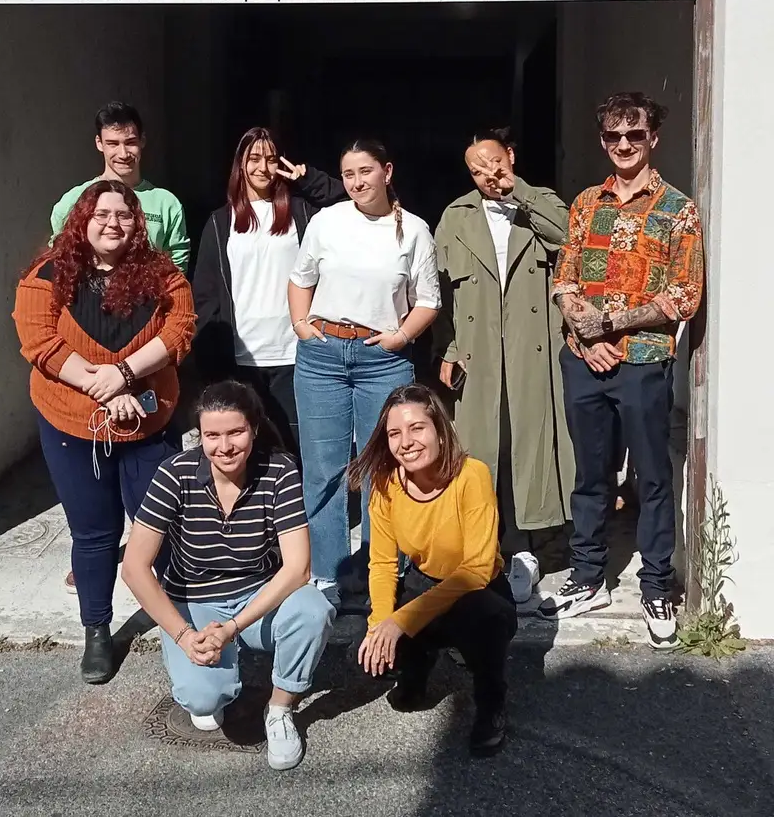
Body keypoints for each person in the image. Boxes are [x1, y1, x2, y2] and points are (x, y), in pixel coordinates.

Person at [13, 180, 195, 683]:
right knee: (94, 534)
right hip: (73, 425)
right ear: (81, 220)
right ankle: (97, 630)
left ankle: (181, 622)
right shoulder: (45, 275)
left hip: (150, 424)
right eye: (101, 214)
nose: (113, 223)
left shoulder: (162, 275)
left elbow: (179, 329)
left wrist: (126, 374)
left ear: (139, 223)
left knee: (165, 527)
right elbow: (39, 342)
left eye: (124, 215)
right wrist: (105, 389)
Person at [540, 92, 704, 651]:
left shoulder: (677, 208)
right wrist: (585, 337)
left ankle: (657, 586)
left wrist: (610, 323)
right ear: (603, 140)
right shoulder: (587, 202)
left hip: (643, 363)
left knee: (652, 478)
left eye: (634, 135)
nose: (624, 145)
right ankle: (588, 578)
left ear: (653, 138)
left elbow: (684, 294)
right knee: (590, 475)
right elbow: (563, 280)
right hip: (586, 361)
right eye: (614, 136)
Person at [122, 380, 333, 771]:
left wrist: (232, 628)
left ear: (254, 427)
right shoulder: (175, 474)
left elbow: (298, 568)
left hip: (257, 594)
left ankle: (280, 708)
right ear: (198, 436)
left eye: (235, 432)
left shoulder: (279, 469)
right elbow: (134, 568)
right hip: (194, 600)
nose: (225, 446)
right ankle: (215, 675)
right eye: (211, 435)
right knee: (203, 704)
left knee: (313, 610)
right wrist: (184, 635)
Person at [288, 139, 441, 607]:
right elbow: (301, 278)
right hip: (322, 356)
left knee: (385, 467)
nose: (356, 182)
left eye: (365, 171)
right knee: (323, 470)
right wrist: (301, 324)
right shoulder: (327, 221)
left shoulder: (413, 230)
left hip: (383, 360)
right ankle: (329, 576)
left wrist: (400, 337)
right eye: (349, 173)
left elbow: (429, 300)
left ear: (386, 171)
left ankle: (381, 571)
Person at [433, 129, 575, 604]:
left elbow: (567, 236)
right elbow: (439, 294)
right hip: (478, 352)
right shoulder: (456, 216)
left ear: (510, 156)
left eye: (493, 162)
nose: (488, 174)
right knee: (479, 450)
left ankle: (523, 549)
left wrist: (520, 192)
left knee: (525, 444)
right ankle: (481, 546)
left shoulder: (541, 203)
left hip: (531, 348)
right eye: (477, 169)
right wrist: (447, 349)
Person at [352, 384, 517, 757]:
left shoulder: (471, 475)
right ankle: (417, 668)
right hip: (422, 581)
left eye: (417, 428)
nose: (405, 442)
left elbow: (475, 569)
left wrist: (402, 622)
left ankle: (491, 704)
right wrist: (381, 625)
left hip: (478, 590)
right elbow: (380, 563)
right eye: (394, 433)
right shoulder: (384, 483)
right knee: (364, 658)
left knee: (486, 622)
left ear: (441, 431)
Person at [192, 126, 345, 454]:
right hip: (240, 358)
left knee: (298, 449)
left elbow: (352, 197)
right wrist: (210, 361)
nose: (263, 167)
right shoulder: (220, 222)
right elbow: (204, 295)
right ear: (240, 165)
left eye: (271, 159)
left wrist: (307, 180)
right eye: (254, 159)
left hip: (295, 354)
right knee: (245, 450)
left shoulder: (303, 213)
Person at [51, 101, 190, 272]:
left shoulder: (167, 203)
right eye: (113, 144)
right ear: (99, 143)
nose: (123, 154)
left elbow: (177, 267)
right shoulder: (73, 200)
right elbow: (59, 260)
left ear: (142, 141)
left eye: (130, 142)